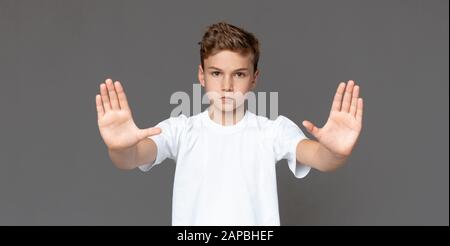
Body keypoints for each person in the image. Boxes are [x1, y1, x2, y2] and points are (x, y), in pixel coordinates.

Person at [95, 22, 364, 225]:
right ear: (202, 75)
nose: (226, 86)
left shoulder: (273, 132)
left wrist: (335, 152)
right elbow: (131, 158)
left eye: (238, 74)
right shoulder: (181, 130)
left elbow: (320, 157)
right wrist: (119, 148)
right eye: (216, 73)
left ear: (254, 78)